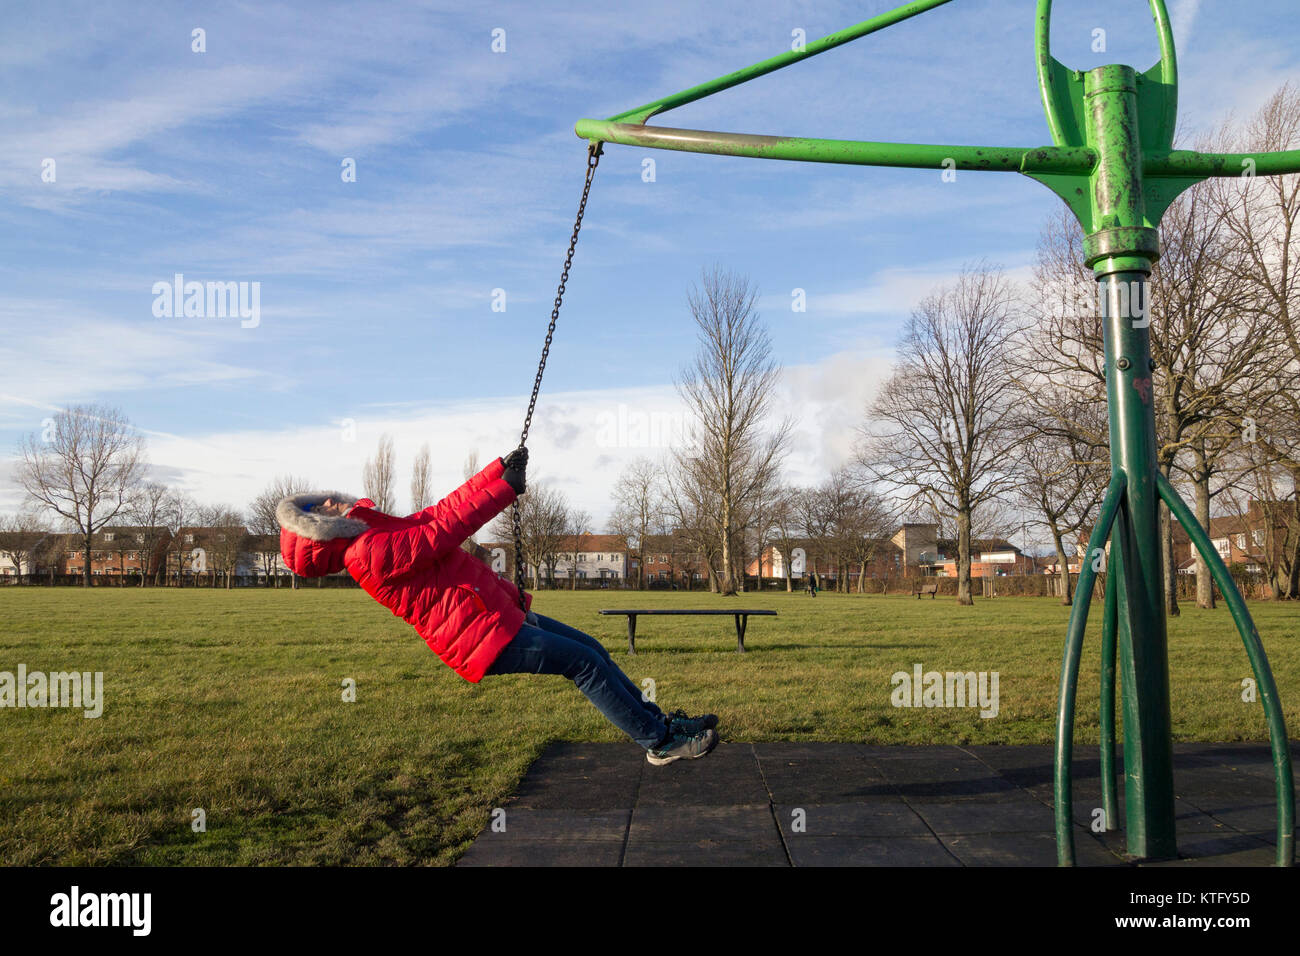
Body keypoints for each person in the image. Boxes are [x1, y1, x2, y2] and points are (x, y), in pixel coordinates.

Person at [276, 448, 717, 765]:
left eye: (323, 499)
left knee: (592, 650)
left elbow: (438, 511)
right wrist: (503, 492)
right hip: (481, 637)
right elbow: (440, 533)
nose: (331, 501)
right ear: (322, 531)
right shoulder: (366, 553)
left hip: (496, 615)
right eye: (319, 508)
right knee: (582, 663)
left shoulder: (374, 532)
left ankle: (661, 725)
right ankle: (659, 743)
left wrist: (496, 472)